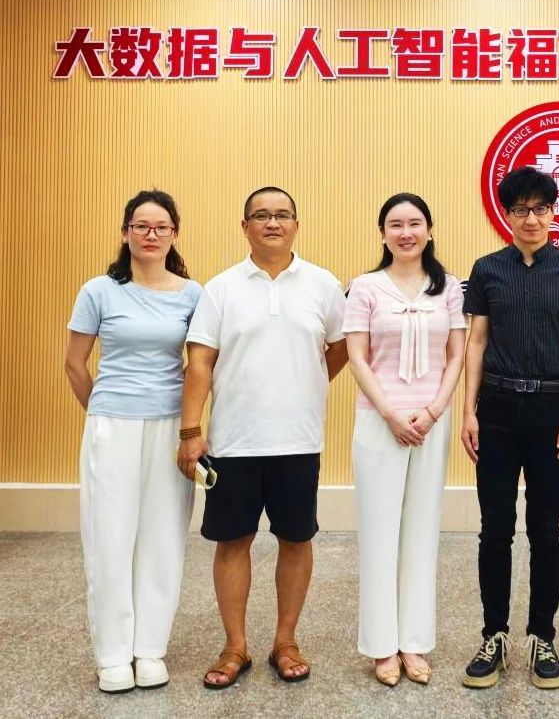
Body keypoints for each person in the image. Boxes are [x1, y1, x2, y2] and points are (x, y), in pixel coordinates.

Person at [176, 186, 348, 689]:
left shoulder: (322, 284)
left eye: (282, 215)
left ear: (296, 224)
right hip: (234, 442)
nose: (273, 223)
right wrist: (191, 430)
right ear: (245, 225)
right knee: (233, 542)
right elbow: (200, 362)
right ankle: (234, 646)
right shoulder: (221, 288)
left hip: (298, 441)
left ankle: (285, 641)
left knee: (296, 540)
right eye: (262, 215)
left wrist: (307, 382)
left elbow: (339, 347)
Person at [460, 166, 559, 690]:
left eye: (541, 208)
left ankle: (543, 636)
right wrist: (469, 411)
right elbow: (476, 342)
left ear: (553, 213)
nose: (531, 219)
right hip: (496, 409)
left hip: (550, 409)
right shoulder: (487, 269)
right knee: (495, 528)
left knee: (545, 528)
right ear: (507, 215)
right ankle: (493, 634)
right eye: (521, 209)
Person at [65, 190, 201, 693]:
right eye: (141, 226)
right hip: (113, 425)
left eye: (161, 226)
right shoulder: (99, 291)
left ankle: (150, 649)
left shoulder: (192, 294)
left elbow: (201, 365)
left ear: (174, 234)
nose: (151, 234)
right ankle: (113, 655)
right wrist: (105, 413)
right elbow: (75, 365)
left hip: (170, 425)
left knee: (163, 537)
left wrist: (192, 427)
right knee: (110, 537)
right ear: (125, 233)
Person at [344, 193, 466, 687]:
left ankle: (413, 642)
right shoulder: (366, 287)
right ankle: (381, 647)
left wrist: (433, 411)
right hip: (380, 421)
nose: (406, 232)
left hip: (430, 422)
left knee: (421, 531)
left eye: (415, 223)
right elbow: (357, 356)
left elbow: (457, 354)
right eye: (395, 224)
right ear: (383, 234)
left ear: (430, 230)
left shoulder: (449, 287)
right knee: (378, 534)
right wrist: (392, 414)